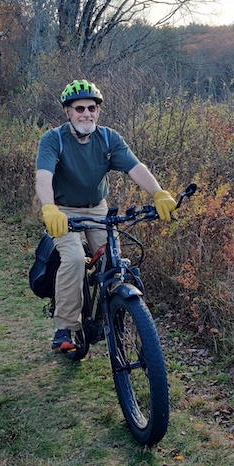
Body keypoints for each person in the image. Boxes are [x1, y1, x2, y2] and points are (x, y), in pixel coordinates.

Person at [35, 79, 177, 352]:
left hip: (97, 207)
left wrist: (158, 193)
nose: (86, 114)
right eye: (79, 109)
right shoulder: (54, 139)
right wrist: (49, 207)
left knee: (112, 261)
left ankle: (111, 314)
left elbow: (135, 167)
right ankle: (65, 326)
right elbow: (43, 175)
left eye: (91, 108)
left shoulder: (108, 138)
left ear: (98, 111)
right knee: (75, 259)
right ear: (68, 111)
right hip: (62, 210)